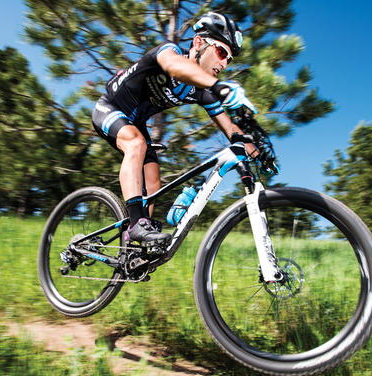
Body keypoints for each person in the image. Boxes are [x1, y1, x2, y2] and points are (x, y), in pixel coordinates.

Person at [92, 12, 258, 247]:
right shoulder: (169, 52)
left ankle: (133, 248)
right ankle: (136, 224)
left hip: (135, 124)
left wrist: (257, 148)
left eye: (229, 60)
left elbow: (231, 129)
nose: (224, 63)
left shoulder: (203, 92)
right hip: (109, 108)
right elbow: (173, 67)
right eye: (222, 52)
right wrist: (218, 86)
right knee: (136, 143)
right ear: (199, 42)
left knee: (153, 183)